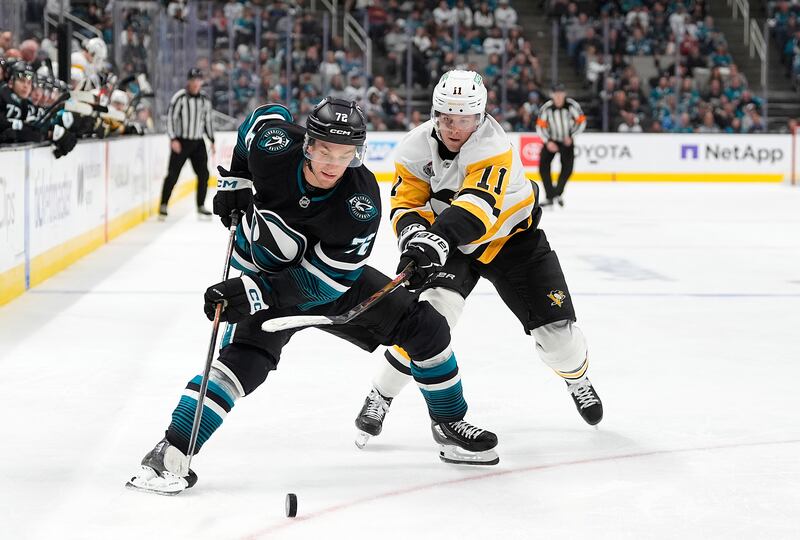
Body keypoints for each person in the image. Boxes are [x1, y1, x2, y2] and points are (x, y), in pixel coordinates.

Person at [126, 98, 499, 496]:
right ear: (307, 144)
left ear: (358, 152)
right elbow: (262, 115)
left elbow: (324, 286)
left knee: (426, 329)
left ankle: (448, 421)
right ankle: (172, 451)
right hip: (261, 268)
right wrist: (237, 178)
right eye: (324, 150)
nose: (332, 163)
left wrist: (254, 294)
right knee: (243, 363)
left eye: (344, 153)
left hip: (325, 282)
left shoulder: (361, 202)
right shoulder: (274, 145)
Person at [353, 70, 602, 448]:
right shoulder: (414, 149)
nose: (455, 128)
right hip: (452, 246)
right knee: (426, 323)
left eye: (464, 119)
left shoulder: (492, 146)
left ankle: (576, 377)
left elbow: (476, 209)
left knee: (560, 342)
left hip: (512, 240)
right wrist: (414, 240)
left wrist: (433, 241)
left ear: (480, 116)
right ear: (435, 114)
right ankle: (381, 395)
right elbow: (407, 204)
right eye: (447, 118)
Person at [159, 68, 216, 219]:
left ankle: (201, 205)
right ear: (188, 81)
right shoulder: (179, 98)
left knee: (204, 174)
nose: (196, 83)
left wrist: (212, 140)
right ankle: (163, 204)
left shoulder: (205, 100)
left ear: (202, 82)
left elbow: (208, 121)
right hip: (181, 142)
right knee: (173, 175)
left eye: (198, 80)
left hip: (198, 142)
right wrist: (173, 139)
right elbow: (171, 119)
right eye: (193, 80)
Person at [536, 83, 585, 207]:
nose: (558, 96)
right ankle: (550, 196)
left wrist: (572, 135)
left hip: (566, 140)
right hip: (551, 140)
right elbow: (540, 126)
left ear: (564, 94)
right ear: (552, 94)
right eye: (556, 94)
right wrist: (548, 141)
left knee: (567, 168)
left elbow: (581, 121)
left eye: (560, 93)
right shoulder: (546, 108)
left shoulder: (572, 106)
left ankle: (557, 193)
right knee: (543, 167)